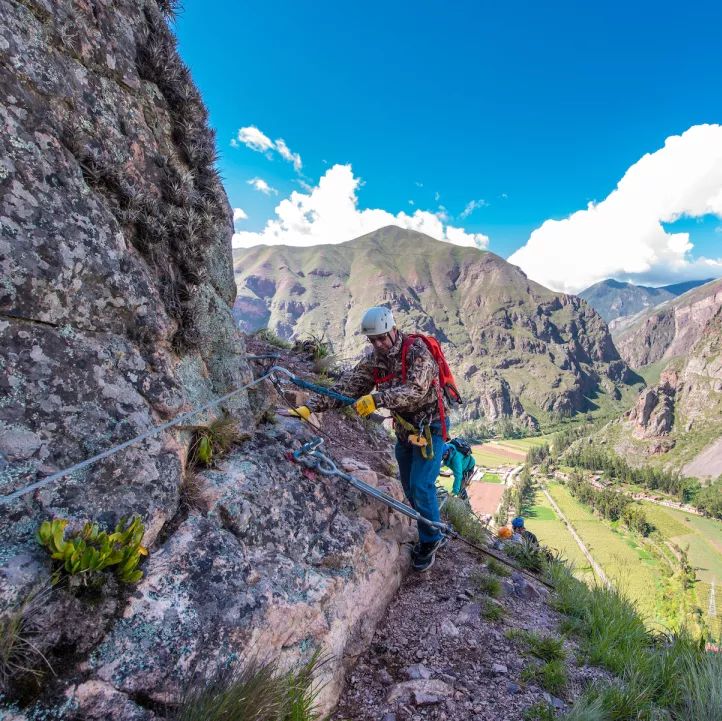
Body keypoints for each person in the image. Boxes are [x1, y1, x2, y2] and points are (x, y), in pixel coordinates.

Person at [291, 306, 450, 572]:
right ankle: (430, 523)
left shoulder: (417, 353)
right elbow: (347, 388)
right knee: (411, 488)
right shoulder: (373, 361)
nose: (377, 344)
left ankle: (432, 539)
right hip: (405, 431)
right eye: (372, 340)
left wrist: (378, 399)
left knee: (422, 486)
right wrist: (312, 406)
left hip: (430, 428)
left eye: (381, 338)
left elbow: (416, 390)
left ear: (392, 330)